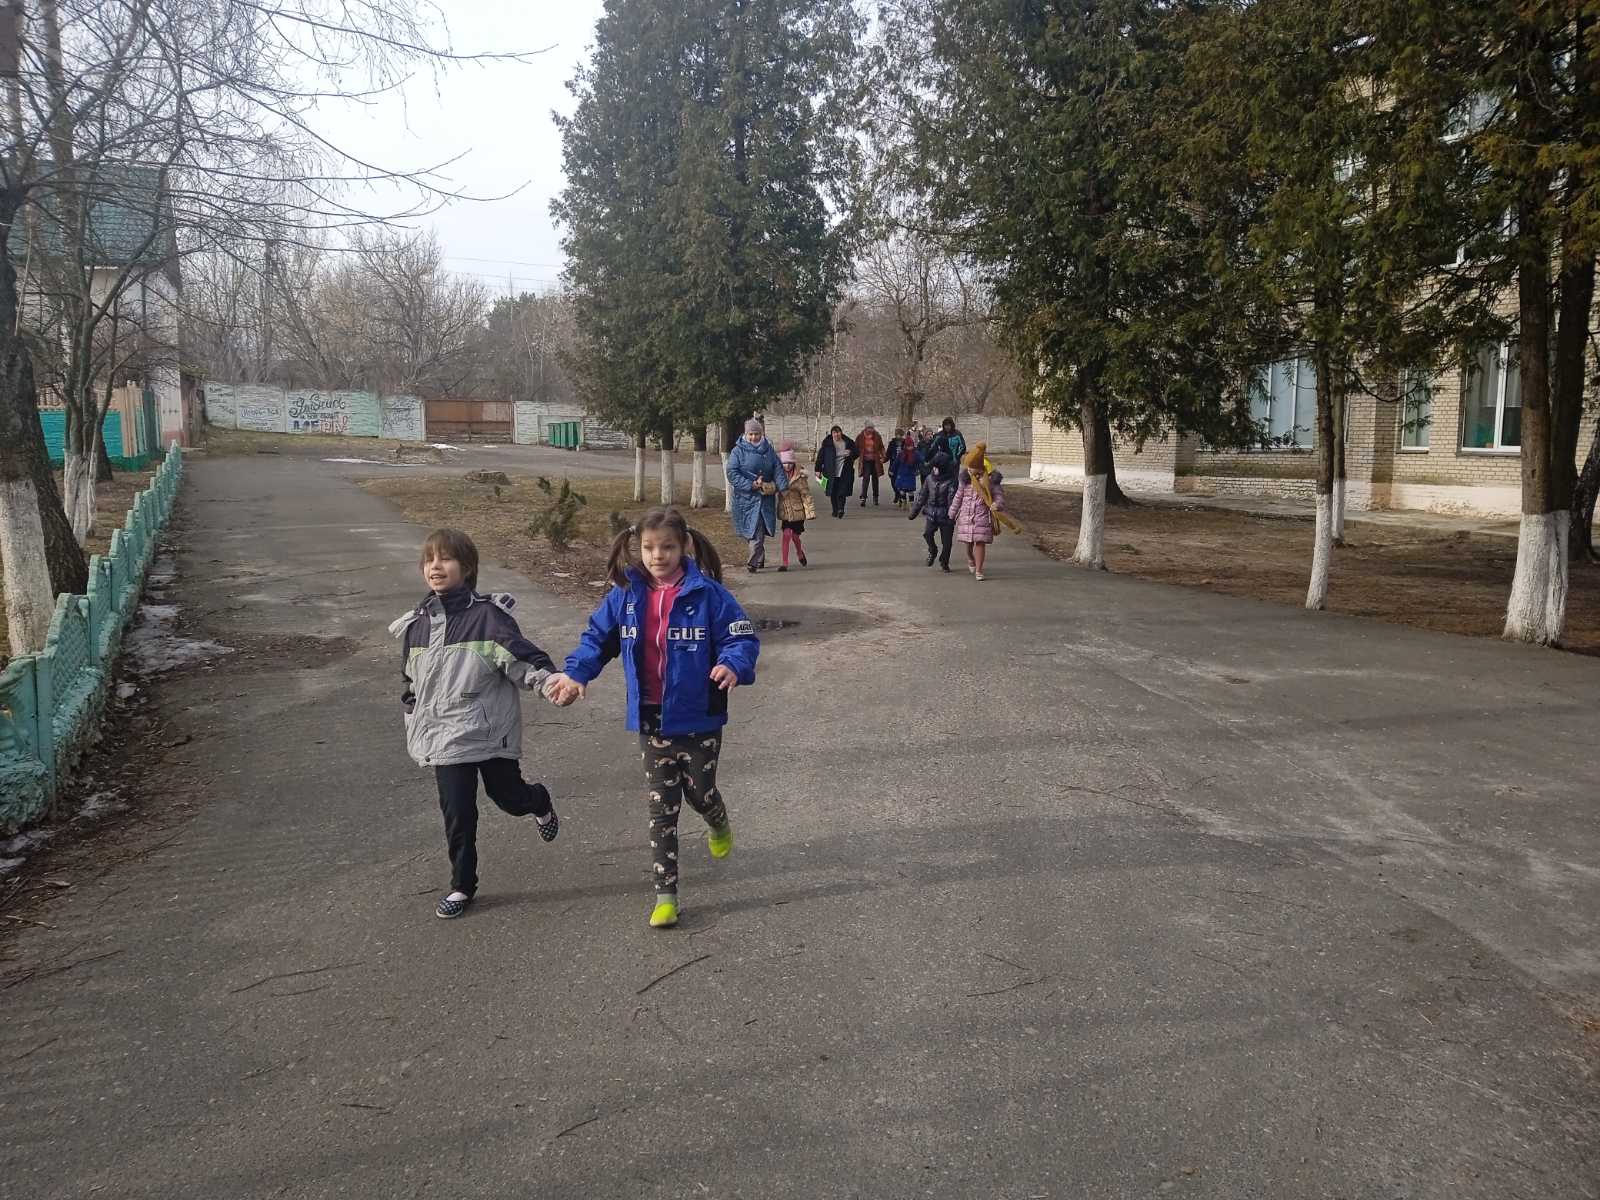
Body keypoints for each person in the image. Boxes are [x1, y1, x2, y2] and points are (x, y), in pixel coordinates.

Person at [544, 508, 758, 929]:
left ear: (684, 546)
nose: (658, 556)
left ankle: (716, 819)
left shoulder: (709, 595)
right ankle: (666, 896)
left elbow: (741, 637)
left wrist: (732, 663)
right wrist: (576, 674)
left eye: (667, 547)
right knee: (662, 810)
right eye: (649, 547)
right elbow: (596, 639)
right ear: (637, 548)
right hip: (651, 719)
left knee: (700, 793)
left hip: (700, 717)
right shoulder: (626, 595)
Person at [391, 528, 560, 920]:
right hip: (444, 737)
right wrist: (412, 708)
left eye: (446, 558)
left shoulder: (487, 618)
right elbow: (410, 679)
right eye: (429, 560)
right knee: (458, 813)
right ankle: (462, 885)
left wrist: (551, 683)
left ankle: (538, 801)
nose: (435, 566)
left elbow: (524, 661)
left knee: (509, 799)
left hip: (488, 732)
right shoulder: (416, 625)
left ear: (467, 568)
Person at [726, 417, 787, 573]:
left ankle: (752, 562)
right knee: (750, 531)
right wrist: (750, 484)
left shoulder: (769, 450)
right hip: (745, 499)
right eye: (751, 434)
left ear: (762, 434)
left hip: (764, 498)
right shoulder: (738, 451)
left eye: (757, 434)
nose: (754, 437)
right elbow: (732, 472)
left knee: (757, 532)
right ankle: (760, 558)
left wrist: (783, 487)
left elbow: (778, 469)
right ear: (746, 434)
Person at [949, 444, 1011, 582]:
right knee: (968, 542)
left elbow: (999, 496)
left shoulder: (990, 481)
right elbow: (958, 497)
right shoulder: (965, 480)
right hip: (966, 516)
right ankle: (970, 558)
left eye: (972, 467)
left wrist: (997, 504)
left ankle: (979, 569)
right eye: (968, 467)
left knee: (980, 542)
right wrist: (952, 512)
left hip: (982, 517)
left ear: (979, 467)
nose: (969, 469)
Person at [909, 451, 958, 570]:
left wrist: (953, 516)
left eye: (937, 467)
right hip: (931, 513)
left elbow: (952, 500)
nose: (934, 469)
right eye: (934, 467)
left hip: (946, 515)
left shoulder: (951, 481)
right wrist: (914, 511)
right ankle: (933, 550)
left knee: (947, 542)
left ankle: (944, 561)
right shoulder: (929, 479)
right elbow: (922, 495)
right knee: (927, 534)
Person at [775, 443, 815, 570]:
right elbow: (772, 487)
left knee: (795, 536)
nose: (787, 465)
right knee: (786, 535)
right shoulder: (778, 476)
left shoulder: (799, 477)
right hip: (786, 511)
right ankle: (784, 563)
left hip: (798, 512)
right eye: (784, 463)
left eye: (790, 463)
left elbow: (806, 495)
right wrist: (762, 487)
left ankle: (799, 553)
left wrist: (810, 512)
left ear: (793, 463)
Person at [814, 424, 857, 518]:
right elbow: (820, 458)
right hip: (830, 472)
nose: (836, 434)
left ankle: (841, 509)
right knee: (833, 492)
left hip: (844, 471)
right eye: (834, 433)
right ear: (832, 434)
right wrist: (817, 470)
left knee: (842, 491)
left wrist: (851, 453)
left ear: (841, 433)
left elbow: (857, 452)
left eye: (838, 432)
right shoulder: (827, 444)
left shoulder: (848, 442)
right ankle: (835, 509)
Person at [855, 422, 887, 506]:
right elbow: (855, 447)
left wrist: (883, 456)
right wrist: (853, 457)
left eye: (872, 428)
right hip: (865, 460)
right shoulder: (860, 436)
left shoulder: (877, 436)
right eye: (869, 428)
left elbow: (881, 447)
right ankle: (863, 497)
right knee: (866, 478)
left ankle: (875, 497)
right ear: (865, 428)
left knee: (875, 479)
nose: (871, 430)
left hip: (875, 460)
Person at [891, 431, 922, 507]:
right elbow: (896, 463)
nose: (910, 448)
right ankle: (904, 501)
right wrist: (892, 470)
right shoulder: (901, 453)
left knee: (911, 490)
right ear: (905, 446)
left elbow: (921, 461)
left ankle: (911, 504)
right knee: (902, 490)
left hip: (911, 474)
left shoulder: (915, 453)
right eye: (908, 446)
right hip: (902, 473)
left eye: (911, 446)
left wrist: (919, 469)